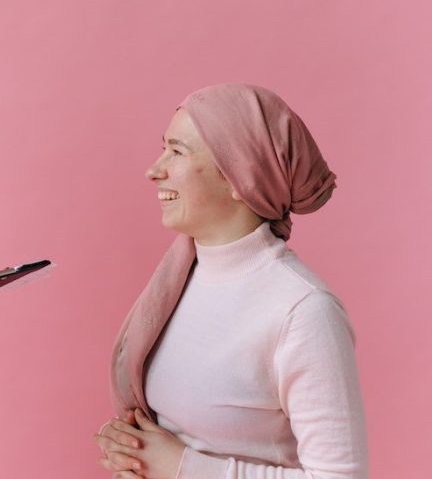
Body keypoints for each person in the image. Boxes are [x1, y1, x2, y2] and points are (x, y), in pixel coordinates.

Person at [95, 84, 369, 478]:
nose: (154, 170)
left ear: (241, 177)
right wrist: (136, 454)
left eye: (177, 151)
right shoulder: (180, 285)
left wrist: (181, 466)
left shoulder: (304, 311)